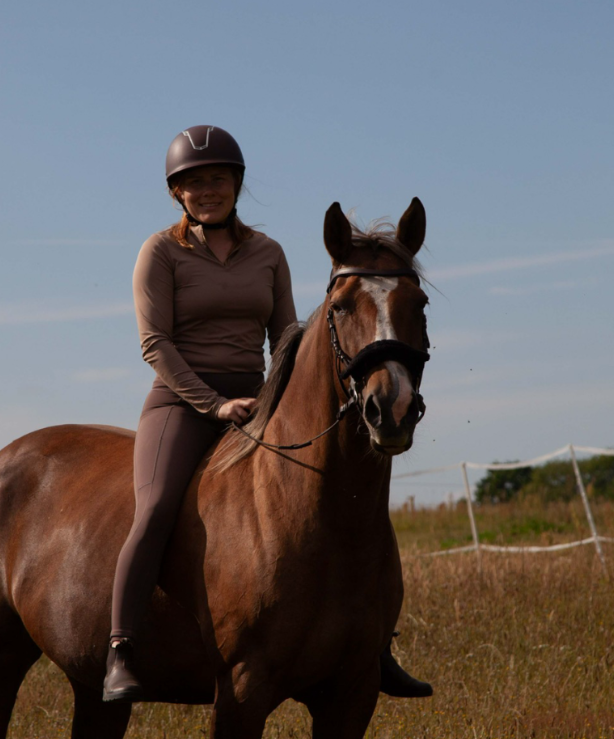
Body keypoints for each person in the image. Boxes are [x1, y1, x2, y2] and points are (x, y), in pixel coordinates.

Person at [102, 125, 431, 705]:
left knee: (352, 493)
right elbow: (155, 344)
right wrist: (213, 403)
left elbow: (285, 337)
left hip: (257, 396)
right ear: (177, 193)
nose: (208, 190)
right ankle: (122, 648)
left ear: (237, 184)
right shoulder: (161, 252)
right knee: (153, 508)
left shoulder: (267, 253)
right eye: (194, 183)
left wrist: (285, 396)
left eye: (219, 179)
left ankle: (374, 644)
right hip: (181, 403)